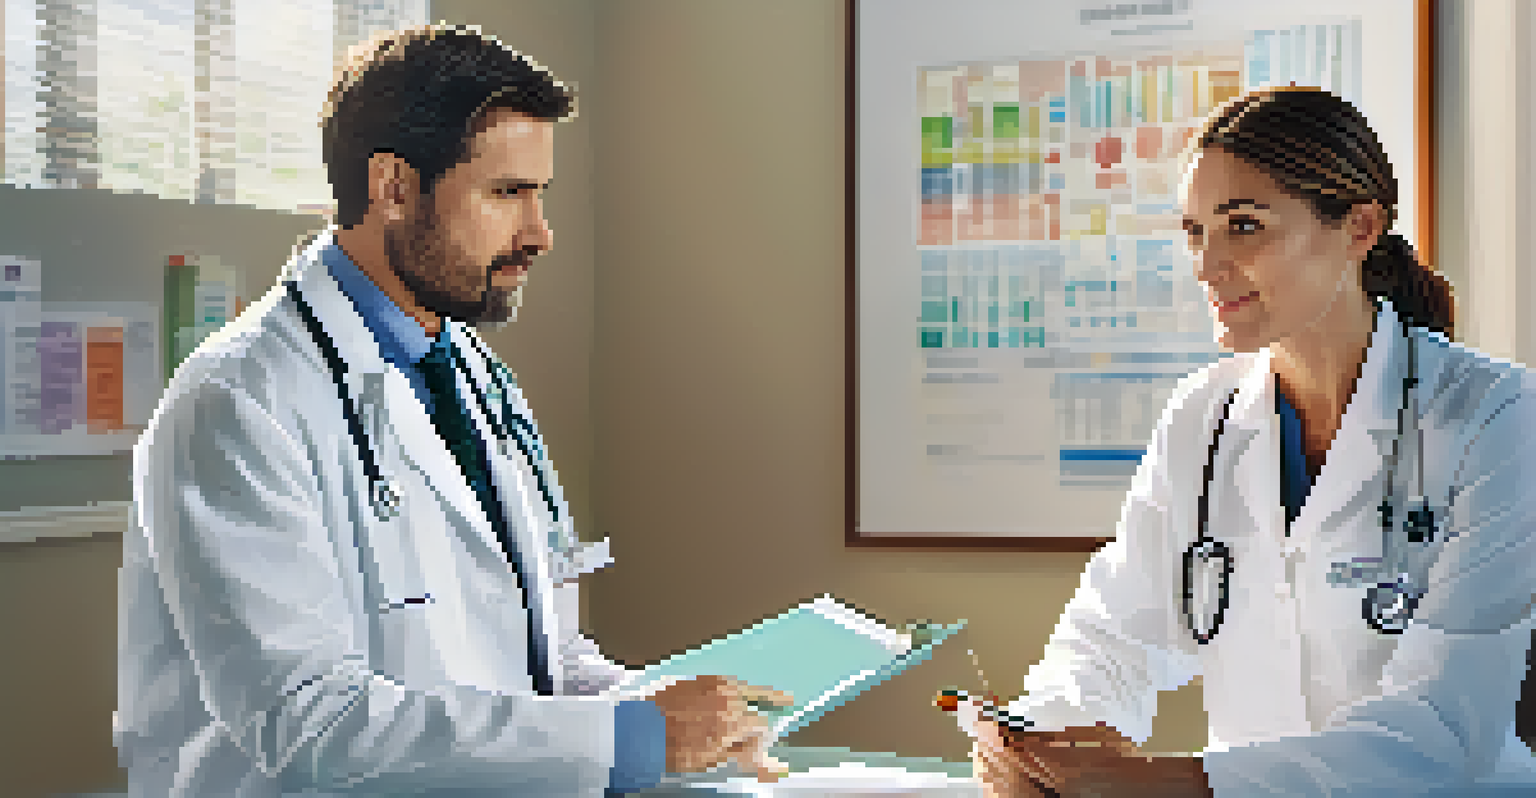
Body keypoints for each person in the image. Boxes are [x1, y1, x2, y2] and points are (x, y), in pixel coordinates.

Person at [115, 24, 789, 797]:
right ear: (393, 188)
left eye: (540, 195)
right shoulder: (239, 400)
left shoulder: (473, 375)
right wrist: (632, 737)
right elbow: (307, 723)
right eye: (507, 194)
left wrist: (674, 723)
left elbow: (544, 660)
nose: (540, 233)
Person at [959, 87, 1536, 797]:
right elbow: (1115, 635)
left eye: (1244, 226)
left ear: (1359, 227)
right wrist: (1042, 739)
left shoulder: (1495, 415)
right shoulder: (1203, 415)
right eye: (1195, 232)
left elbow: (1444, 728)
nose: (1206, 265)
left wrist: (1169, 785)